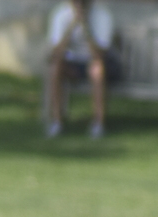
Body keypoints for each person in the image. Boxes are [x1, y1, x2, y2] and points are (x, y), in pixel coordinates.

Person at [46, 0, 116, 140]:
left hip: (96, 63)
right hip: (72, 63)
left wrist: (85, 25)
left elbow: (99, 54)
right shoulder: (61, 15)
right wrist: (72, 26)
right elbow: (56, 52)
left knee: (97, 69)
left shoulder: (102, 16)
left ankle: (98, 123)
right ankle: (57, 121)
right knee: (55, 67)